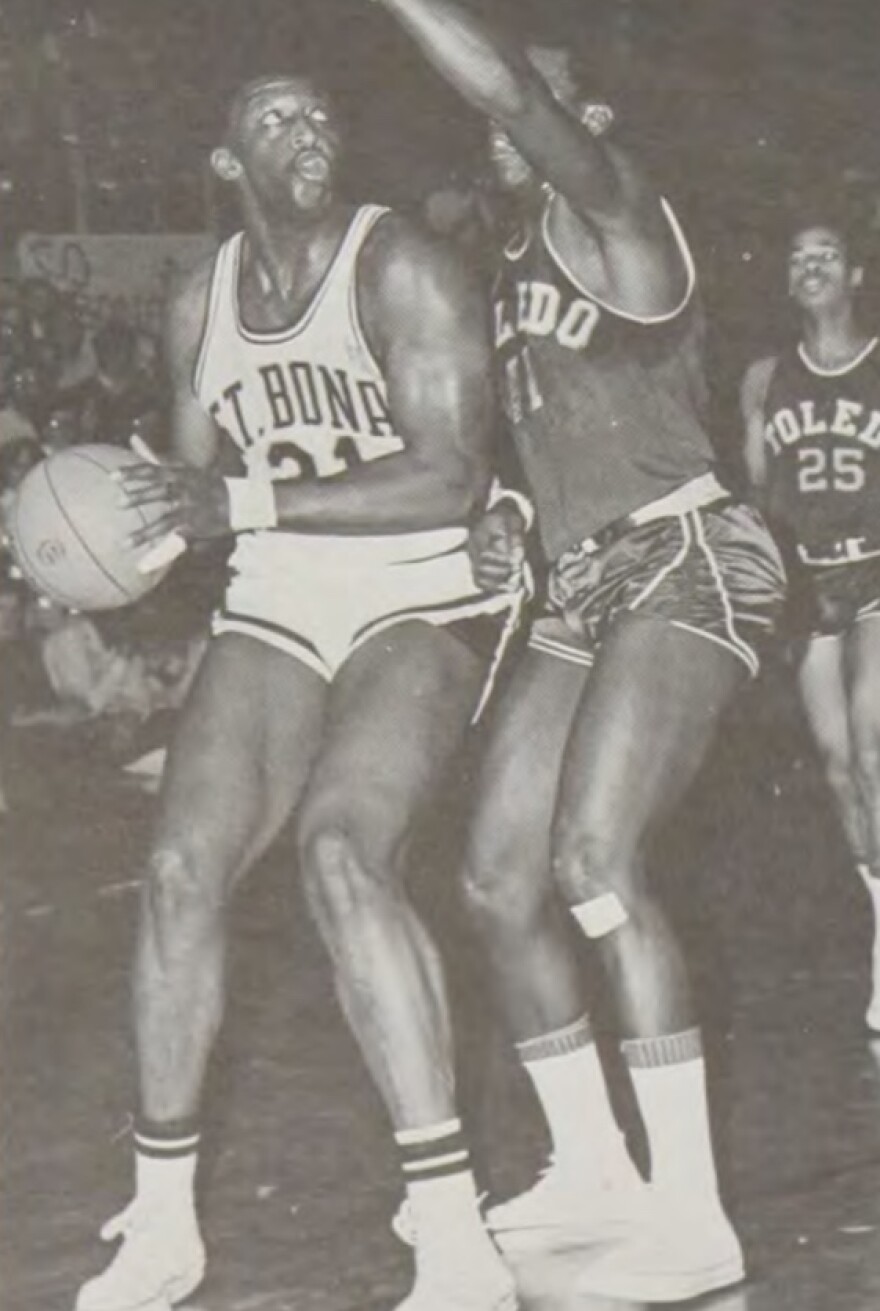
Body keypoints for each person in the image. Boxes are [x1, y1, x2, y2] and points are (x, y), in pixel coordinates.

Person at [74, 69, 523, 1311]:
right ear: (227, 164)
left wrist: (239, 505)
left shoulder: (405, 269)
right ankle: (163, 1222)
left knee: (340, 856)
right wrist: (93, 543)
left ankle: (451, 1234)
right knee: (176, 873)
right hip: (277, 598)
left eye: (322, 112)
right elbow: (191, 491)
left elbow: (449, 478)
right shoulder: (197, 304)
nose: (308, 130)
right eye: (273, 119)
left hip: (419, 594)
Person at [373, 1, 786, 1302]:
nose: (502, 127)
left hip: (686, 554)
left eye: (537, 107)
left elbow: (507, 94)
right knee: (496, 876)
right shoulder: (508, 284)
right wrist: (505, 511)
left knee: (597, 859)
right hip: (578, 579)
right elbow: (537, 448)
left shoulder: (620, 217)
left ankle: (691, 1209)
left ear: (584, 122)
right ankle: (596, 1166)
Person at [742, 206, 880, 1030]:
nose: (811, 266)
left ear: (856, 276)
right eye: (798, 257)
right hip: (810, 585)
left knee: (874, 742)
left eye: (826, 253)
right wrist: (781, 584)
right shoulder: (764, 377)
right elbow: (760, 495)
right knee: (836, 768)